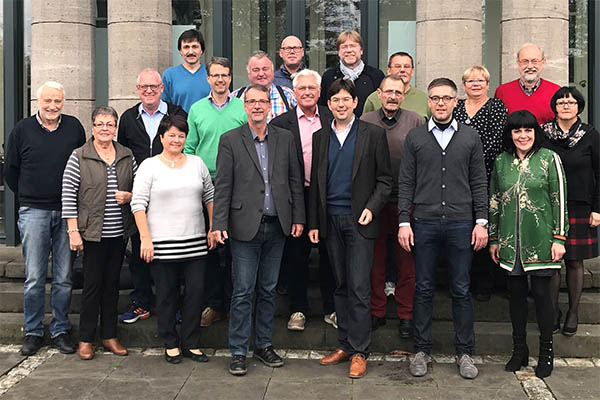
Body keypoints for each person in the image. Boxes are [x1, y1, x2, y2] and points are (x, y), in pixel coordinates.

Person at [398, 78, 488, 380]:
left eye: (446, 98)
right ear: (429, 102)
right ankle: (421, 349)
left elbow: (479, 182)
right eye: (435, 98)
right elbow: (406, 183)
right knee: (423, 288)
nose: (440, 103)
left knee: (461, 289)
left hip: (462, 223)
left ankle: (465, 352)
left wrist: (481, 222)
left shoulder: (470, 137)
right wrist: (403, 221)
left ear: (455, 101)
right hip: (424, 222)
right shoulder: (416, 138)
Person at [212, 84, 305, 376]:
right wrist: (218, 224)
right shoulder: (230, 140)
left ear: (269, 105)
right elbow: (223, 185)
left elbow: (294, 180)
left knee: (267, 289)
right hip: (243, 228)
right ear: (244, 106)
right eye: (250, 101)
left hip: (277, 226)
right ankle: (239, 351)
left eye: (261, 101)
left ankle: (263, 345)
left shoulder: (286, 138)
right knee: (242, 291)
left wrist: (298, 217)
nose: (256, 106)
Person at [309, 78, 392, 379]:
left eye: (346, 99)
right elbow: (316, 186)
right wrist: (314, 223)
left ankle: (360, 350)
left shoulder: (372, 134)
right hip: (330, 220)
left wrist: (371, 207)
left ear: (355, 102)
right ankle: (344, 344)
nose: (340, 105)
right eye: (335, 101)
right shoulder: (321, 138)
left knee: (358, 286)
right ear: (328, 105)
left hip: (360, 221)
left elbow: (385, 180)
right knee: (340, 285)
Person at [4, 81, 85, 356]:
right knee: (35, 276)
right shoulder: (22, 130)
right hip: (34, 211)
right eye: (48, 101)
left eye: (58, 102)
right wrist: (31, 195)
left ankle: (61, 329)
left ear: (64, 102)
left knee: (63, 277)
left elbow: (82, 166)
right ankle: (34, 331)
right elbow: (11, 171)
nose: (52, 106)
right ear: (38, 101)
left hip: (67, 213)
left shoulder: (74, 128)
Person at [489, 110, 568, 378]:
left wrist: (559, 237)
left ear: (536, 132)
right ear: (510, 135)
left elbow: (559, 199)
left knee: (544, 297)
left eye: (528, 130)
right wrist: (494, 238)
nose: (523, 136)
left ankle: (546, 352)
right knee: (516, 298)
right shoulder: (501, 162)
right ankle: (519, 350)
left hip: (542, 241)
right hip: (511, 245)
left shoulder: (549, 159)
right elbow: (495, 201)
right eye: (517, 131)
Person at [131, 115, 215, 364]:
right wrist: (145, 239)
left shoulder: (197, 163)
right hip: (161, 244)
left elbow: (209, 196)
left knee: (195, 294)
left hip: (195, 243)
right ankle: (170, 342)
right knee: (166, 295)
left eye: (181, 135)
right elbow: (137, 204)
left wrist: (213, 228)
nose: (176, 140)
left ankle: (191, 342)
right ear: (162, 138)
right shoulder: (149, 166)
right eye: (172, 135)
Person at [62, 106, 136, 360]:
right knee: (92, 287)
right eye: (100, 124)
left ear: (116, 128)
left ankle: (109, 336)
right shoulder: (79, 156)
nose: (105, 129)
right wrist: (73, 230)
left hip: (119, 234)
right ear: (92, 127)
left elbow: (139, 188)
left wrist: (130, 196)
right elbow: (69, 195)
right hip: (91, 234)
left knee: (112, 286)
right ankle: (85, 339)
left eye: (110, 124)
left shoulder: (126, 155)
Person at [117, 69, 187, 325]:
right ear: (137, 89)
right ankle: (141, 302)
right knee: (139, 251)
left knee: (172, 251)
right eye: (143, 86)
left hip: (171, 193)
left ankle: (174, 304)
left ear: (161, 88)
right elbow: (122, 156)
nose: (148, 91)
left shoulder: (177, 114)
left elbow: (185, 149)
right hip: (138, 195)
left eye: (153, 86)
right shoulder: (127, 118)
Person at [270, 69, 336, 331]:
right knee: (296, 256)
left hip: (328, 196)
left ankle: (332, 309)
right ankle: (298, 309)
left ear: (320, 93)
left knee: (330, 256)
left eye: (312, 88)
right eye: (302, 89)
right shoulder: (280, 124)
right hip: (297, 196)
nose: (307, 92)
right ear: (294, 93)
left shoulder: (333, 118)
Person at [184, 56, 247, 327]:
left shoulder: (242, 108)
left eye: (225, 75)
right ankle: (213, 304)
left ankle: (234, 305)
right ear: (207, 79)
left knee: (235, 251)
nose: (220, 79)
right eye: (215, 75)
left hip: (238, 187)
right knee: (208, 250)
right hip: (204, 187)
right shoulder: (196, 110)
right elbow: (189, 148)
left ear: (230, 78)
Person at [360, 74, 424, 337]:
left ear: (404, 95)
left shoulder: (416, 120)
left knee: (406, 261)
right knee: (375, 261)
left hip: (405, 201)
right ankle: (376, 310)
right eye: (388, 92)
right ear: (379, 93)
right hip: (373, 202)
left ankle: (406, 314)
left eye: (398, 92)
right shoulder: (365, 121)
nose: (393, 96)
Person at [541, 87, 599, 336]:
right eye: (561, 102)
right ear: (554, 106)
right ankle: (552, 312)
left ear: (579, 107)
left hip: (579, 205)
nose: (566, 105)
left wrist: (597, 208)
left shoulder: (590, 135)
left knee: (574, 261)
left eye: (571, 102)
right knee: (552, 263)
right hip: (549, 206)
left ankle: (573, 311)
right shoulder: (543, 134)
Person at [453, 65, 507, 301]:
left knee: (485, 226)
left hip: (487, 176)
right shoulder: (456, 108)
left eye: (480, 80)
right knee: (464, 228)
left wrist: (469, 159)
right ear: (464, 85)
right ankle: (465, 280)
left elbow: (497, 141)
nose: (475, 84)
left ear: (488, 84)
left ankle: (485, 283)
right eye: (470, 81)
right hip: (456, 178)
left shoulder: (496, 107)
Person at [319, 30, 384, 118]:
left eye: (353, 46)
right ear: (339, 52)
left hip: (369, 129)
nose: (349, 50)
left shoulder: (376, 76)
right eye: (344, 47)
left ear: (361, 50)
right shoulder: (329, 77)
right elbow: (323, 109)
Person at [494, 43, 560, 124]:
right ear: (518, 63)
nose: (530, 66)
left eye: (534, 61)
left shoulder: (556, 91)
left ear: (543, 62)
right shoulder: (502, 92)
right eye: (525, 61)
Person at [363, 52, 430, 120]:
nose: (402, 70)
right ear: (388, 71)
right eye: (397, 66)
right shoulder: (374, 98)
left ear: (412, 71)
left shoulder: (424, 99)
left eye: (406, 66)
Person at [233, 51, 297, 122]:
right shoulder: (236, 97)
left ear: (272, 71)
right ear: (249, 74)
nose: (261, 74)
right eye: (256, 70)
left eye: (265, 69)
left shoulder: (288, 95)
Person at [162, 29, 210, 112]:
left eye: (195, 47)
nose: (191, 51)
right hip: (179, 124)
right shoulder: (169, 75)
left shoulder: (211, 74)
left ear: (201, 50)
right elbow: (164, 106)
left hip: (207, 124)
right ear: (180, 51)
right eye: (186, 47)